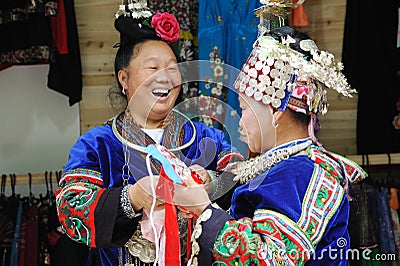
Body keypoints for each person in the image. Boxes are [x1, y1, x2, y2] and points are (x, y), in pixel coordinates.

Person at [54, 1, 243, 265]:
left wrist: (212, 181)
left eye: (172, 67)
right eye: (152, 68)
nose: (164, 77)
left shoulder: (205, 137)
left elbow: (242, 177)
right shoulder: (98, 145)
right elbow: (69, 206)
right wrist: (133, 197)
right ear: (124, 79)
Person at [173, 25, 368, 265]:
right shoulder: (293, 165)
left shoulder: (298, 172)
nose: (240, 121)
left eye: (244, 109)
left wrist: (205, 210)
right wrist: (212, 184)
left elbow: (266, 259)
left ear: (275, 110)